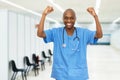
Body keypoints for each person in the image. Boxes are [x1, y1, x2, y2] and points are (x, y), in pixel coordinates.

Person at [36, 6, 103, 80]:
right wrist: (44, 15)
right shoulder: (56, 32)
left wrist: (95, 16)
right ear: (63, 19)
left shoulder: (83, 33)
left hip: (78, 74)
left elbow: (99, 35)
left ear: (75, 19)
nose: (69, 20)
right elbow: (40, 34)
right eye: (66, 18)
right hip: (61, 74)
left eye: (71, 18)